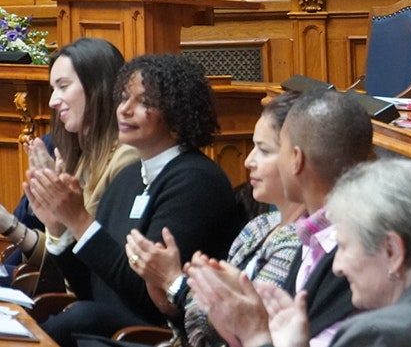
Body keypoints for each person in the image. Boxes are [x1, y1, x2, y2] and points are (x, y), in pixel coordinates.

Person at [25, 53, 242, 347]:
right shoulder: (129, 178)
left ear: (177, 112)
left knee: (78, 319)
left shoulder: (196, 181)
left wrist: (79, 220)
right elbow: (93, 289)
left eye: (143, 102)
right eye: (124, 98)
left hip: (156, 337)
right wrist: (60, 227)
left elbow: (146, 300)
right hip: (110, 332)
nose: (125, 110)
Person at [192, 158, 411, 347]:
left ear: (391, 251)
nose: (337, 267)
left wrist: (257, 337)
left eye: (345, 247)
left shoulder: (379, 335)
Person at [184, 87, 374, 347]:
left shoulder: (348, 254)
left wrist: (252, 327)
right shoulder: (311, 237)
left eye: (275, 149)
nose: (248, 161)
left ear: (296, 159)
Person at [124, 90, 305, 347]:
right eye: (253, 147)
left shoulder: (302, 242)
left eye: (264, 150)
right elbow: (204, 332)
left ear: (296, 158)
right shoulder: (258, 227)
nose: (249, 160)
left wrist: (174, 283)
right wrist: (166, 293)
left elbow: (242, 328)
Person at [0, 38, 138, 287]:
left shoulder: (127, 159)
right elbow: (62, 254)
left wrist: (12, 226)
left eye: (63, 86)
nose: (52, 101)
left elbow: (92, 267)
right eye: (53, 89)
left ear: (98, 87)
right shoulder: (82, 155)